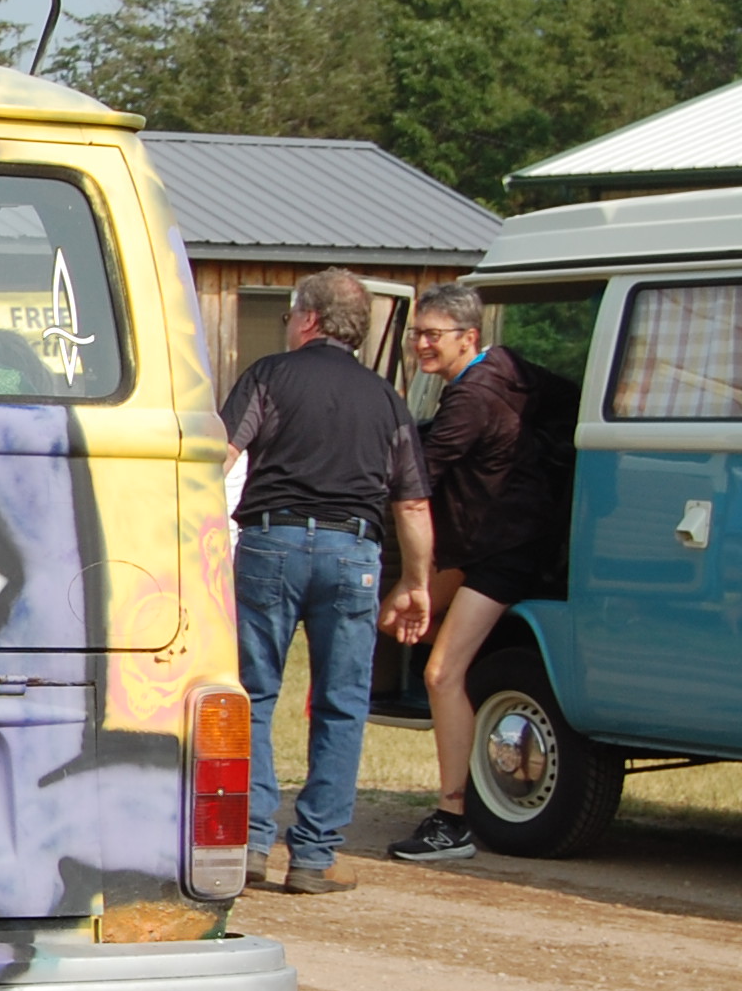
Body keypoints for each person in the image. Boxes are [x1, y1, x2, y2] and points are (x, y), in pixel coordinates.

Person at [220, 269, 435, 893]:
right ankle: (314, 856)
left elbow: (219, 458)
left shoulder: (269, 376)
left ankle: (250, 842)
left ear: (309, 319)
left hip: (271, 543)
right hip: (353, 553)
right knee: (341, 703)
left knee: (254, 693)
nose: (288, 325)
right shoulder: (387, 400)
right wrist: (415, 582)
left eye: (290, 315)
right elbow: (413, 504)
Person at [388, 284, 578, 863]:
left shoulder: (470, 398)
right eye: (417, 333)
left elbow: (417, 478)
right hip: (493, 540)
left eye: (433, 335)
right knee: (392, 617)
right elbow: (570, 400)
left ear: (468, 337)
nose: (421, 344)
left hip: (503, 551)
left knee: (442, 673)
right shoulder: (510, 368)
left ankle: (452, 819)